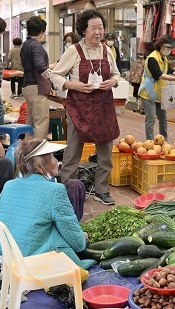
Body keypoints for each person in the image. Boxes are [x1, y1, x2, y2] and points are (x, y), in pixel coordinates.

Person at [0, 138, 94, 269]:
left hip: (4, 255)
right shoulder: (55, 190)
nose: (56, 161)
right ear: (39, 167)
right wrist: (83, 240)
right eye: (52, 157)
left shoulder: (9, 185)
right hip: (32, 263)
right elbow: (76, 242)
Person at [50, 9, 121, 206]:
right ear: (83, 31)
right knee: (73, 152)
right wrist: (75, 85)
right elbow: (54, 75)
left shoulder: (107, 50)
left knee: (105, 152)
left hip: (104, 108)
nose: (98, 32)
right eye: (93, 28)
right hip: (78, 108)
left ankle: (102, 190)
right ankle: (67, 190)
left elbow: (116, 74)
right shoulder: (74, 51)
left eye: (101, 28)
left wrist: (112, 82)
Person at [138, 34, 175, 141]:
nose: (170, 50)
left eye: (171, 48)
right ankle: (150, 142)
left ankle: (164, 140)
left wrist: (174, 70)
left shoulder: (163, 58)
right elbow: (159, 74)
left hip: (160, 93)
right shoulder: (152, 58)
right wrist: (174, 79)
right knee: (151, 119)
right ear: (161, 46)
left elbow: (165, 71)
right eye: (168, 48)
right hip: (148, 93)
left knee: (163, 119)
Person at [21, 16, 56, 140]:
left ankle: (26, 152)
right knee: (41, 122)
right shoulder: (36, 45)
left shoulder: (26, 44)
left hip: (27, 86)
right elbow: (40, 66)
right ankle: (37, 154)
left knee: (30, 123)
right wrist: (52, 78)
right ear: (41, 31)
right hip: (36, 87)